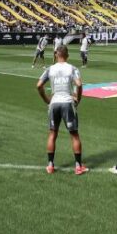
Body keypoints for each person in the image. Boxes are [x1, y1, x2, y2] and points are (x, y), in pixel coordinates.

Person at [36, 45, 86, 175]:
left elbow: (39, 85)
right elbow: (79, 84)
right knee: (74, 134)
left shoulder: (50, 69)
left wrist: (46, 99)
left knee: (52, 134)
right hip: (67, 103)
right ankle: (78, 166)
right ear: (67, 55)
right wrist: (78, 99)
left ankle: (50, 165)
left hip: (54, 103)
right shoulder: (72, 68)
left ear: (56, 55)